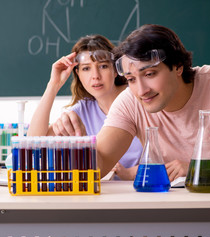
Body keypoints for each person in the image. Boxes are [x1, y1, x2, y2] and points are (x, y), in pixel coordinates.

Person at [95, 24, 210, 182]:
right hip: (174, 206)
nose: (141, 91)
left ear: (178, 66)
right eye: (131, 79)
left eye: (150, 74)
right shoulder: (130, 101)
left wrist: (200, 171)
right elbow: (98, 165)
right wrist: (70, 142)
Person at [27, 34, 143, 180]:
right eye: (86, 68)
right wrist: (53, 85)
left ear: (115, 70)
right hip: (102, 193)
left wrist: (131, 173)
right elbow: (33, 143)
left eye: (103, 66)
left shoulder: (139, 96)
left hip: (145, 189)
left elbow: (165, 154)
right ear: (78, 74)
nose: (95, 76)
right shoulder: (82, 111)